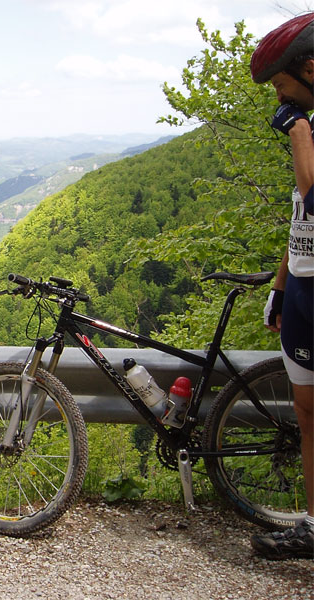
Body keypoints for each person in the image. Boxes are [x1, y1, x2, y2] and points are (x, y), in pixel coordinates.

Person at [250, 12, 314, 560]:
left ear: (310, 68)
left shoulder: (305, 131)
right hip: (301, 294)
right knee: (307, 412)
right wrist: (278, 283)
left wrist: (298, 131)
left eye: (280, 84)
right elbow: (301, 218)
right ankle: (313, 526)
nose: (278, 97)